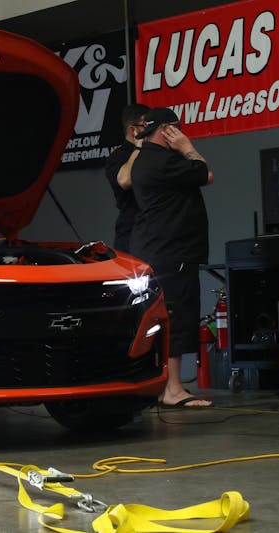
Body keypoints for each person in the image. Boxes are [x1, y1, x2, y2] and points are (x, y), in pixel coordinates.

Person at [129, 107, 214, 408]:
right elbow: (206, 173)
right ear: (167, 130)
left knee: (161, 318)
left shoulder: (143, 160)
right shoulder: (166, 161)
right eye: (177, 128)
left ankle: (163, 386)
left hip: (154, 249)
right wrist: (187, 147)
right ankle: (173, 389)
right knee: (175, 317)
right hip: (172, 250)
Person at [104, 103, 149, 252]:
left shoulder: (154, 154)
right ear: (133, 130)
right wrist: (138, 147)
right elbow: (125, 181)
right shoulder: (117, 157)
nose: (151, 130)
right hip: (131, 234)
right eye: (146, 126)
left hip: (155, 235)